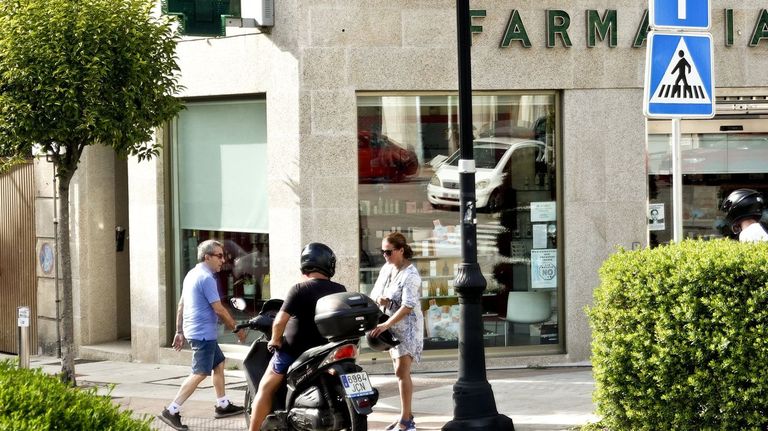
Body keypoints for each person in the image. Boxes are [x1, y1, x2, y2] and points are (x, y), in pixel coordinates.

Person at [249, 242, 347, 431]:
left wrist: (275, 340)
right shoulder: (339, 289)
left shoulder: (299, 289)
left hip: (294, 352)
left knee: (265, 387)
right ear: (328, 265)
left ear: (306, 264)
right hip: (326, 350)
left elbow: (279, 322)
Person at [158, 239, 247, 431]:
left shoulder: (192, 274)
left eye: (223, 256)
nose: (223, 260)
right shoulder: (206, 278)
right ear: (207, 257)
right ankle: (171, 411)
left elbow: (181, 304)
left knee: (219, 363)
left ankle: (222, 405)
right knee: (199, 373)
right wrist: (236, 328)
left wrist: (179, 331)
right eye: (219, 256)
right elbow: (219, 310)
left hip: (196, 331)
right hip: (202, 334)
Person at [369, 232, 424, 431]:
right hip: (391, 327)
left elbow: (408, 306)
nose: (385, 255)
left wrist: (386, 324)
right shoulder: (387, 268)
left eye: (389, 252)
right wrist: (384, 302)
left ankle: (405, 420)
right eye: (382, 251)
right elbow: (376, 292)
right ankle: (406, 415)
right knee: (398, 371)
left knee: (402, 372)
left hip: (407, 328)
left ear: (401, 250)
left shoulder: (411, 275)